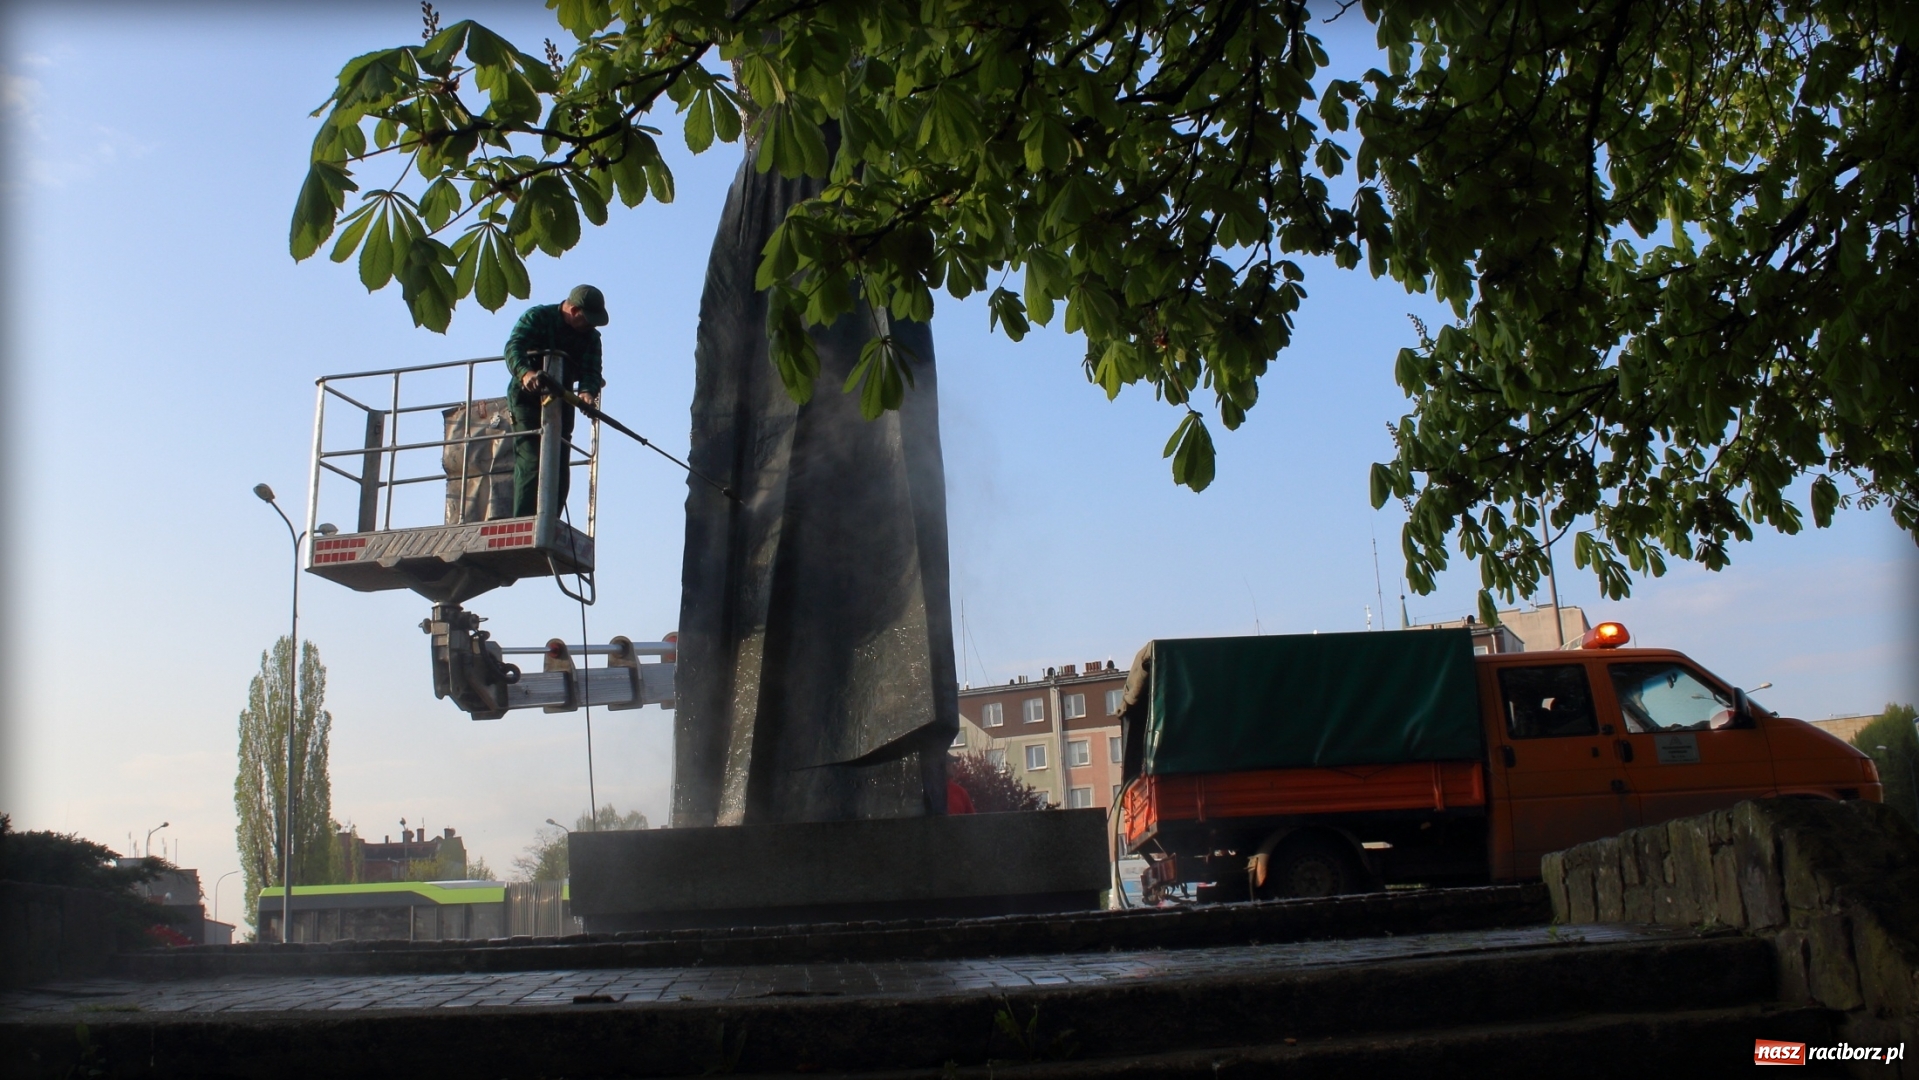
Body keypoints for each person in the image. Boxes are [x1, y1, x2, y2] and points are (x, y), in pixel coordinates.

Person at [504, 285, 608, 517]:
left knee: (560, 468)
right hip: (526, 400)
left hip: (561, 401)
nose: (591, 326)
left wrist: (587, 394)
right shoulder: (538, 317)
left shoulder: (591, 338)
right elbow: (514, 347)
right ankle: (524, 522)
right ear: (573, 310)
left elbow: (592, 372)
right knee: (532, 462)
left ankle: (551, 521)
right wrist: (526, 373)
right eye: (588, 320)